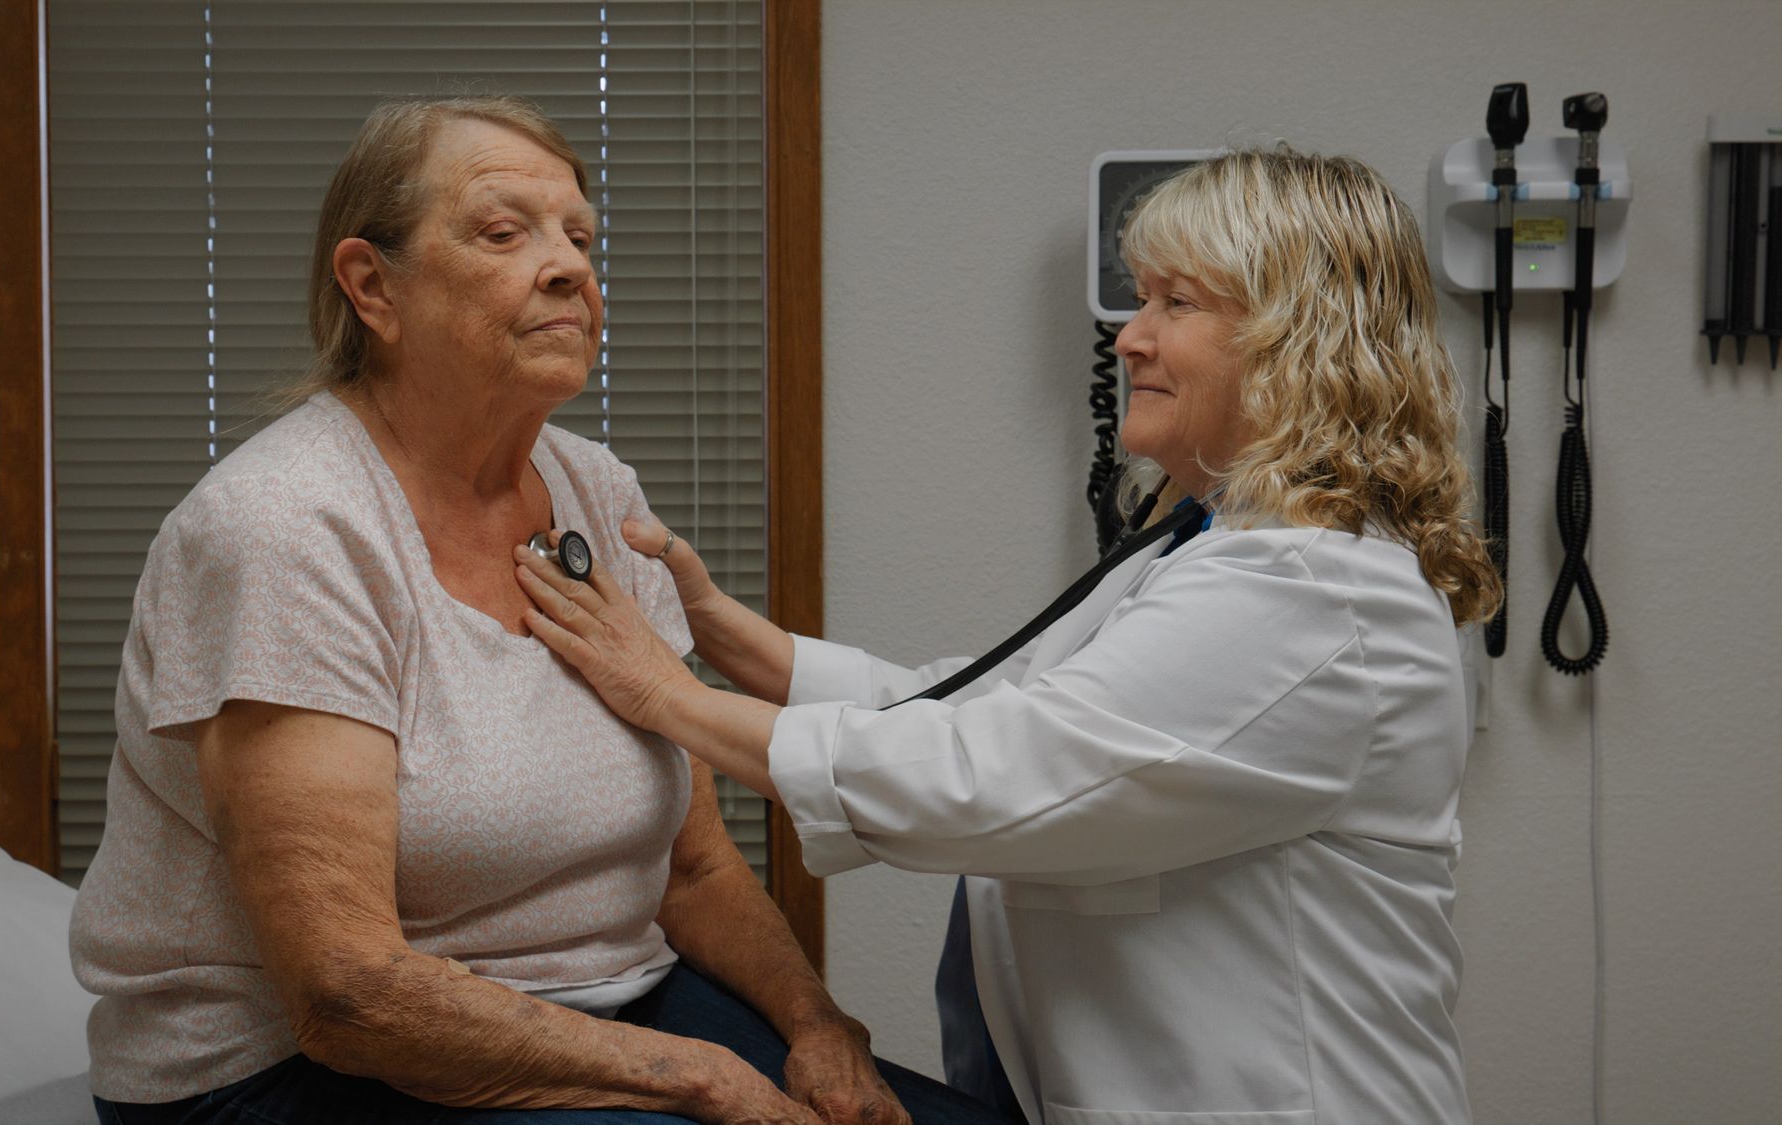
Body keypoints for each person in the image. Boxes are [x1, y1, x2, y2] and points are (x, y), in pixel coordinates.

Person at [70, 95, 1007, 1125]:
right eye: (502, 233)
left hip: (616, 1003)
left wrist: (819, 1027)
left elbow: (690, 867)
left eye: (579, 238)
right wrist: (699, 1077)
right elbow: (346, 996)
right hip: (292, 1071)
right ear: (371, 286)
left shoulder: (597, 495)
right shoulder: (286, 529)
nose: (569, 267)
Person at [515, 148, 1502, 1125]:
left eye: (1174, 304)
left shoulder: (1308, 588)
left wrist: (669, 698)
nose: (1128, 338)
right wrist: (728, 637)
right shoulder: (1212, 544)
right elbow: (986, 704)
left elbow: (1002, 773)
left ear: (1295, 339)